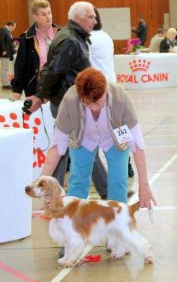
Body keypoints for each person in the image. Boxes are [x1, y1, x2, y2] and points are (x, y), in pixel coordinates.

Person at [24, 1, 108, 201]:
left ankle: (50, 192)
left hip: (70, 102)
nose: (95, 20)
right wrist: (39, 96)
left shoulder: (73, 37)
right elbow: (52, 71)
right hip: (69, 104)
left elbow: (52, 69)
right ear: (78, 18)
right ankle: (108, 193)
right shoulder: (70, 40)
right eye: (91, 17)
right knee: (84, 146)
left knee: (63, 148)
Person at [41, 67, 156, 208]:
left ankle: (117, 222)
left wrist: (144, 186)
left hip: (115, 137)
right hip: (82, 138)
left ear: (106, 90)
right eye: (87, 103)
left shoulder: (121, 98)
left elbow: (137, 145)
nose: (94, 108)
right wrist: (42, 182)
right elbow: (57, 146)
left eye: (98, 102)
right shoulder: (70, 101)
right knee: (78, 180)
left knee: (119, 181)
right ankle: (74, 222)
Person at [89, 7, 134, 181]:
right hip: (112, 86)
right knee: (118, 127)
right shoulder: (106, 36)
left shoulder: (89, 39)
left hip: (97, 89)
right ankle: (127, 163)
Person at [11, 0, 61, 99]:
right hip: (36, 89)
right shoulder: (26, 38)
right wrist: (17, 90)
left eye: (49, 13)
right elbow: (20, 65)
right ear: (35, 17)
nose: (48, 16)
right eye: (43, 14)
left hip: (60, 88)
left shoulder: (62, 33)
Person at [0, 21, 16, 89]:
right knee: (5, 68)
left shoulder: (7, 31)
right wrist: (3, 50)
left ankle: (6, 83)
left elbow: (9, 42)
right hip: (5, 53)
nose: (14, 29)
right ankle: (5, 84)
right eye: (14, 27)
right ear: (10, 25)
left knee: (6, 68)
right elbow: (1, 40)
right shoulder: (3, 30)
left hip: (8, 53)